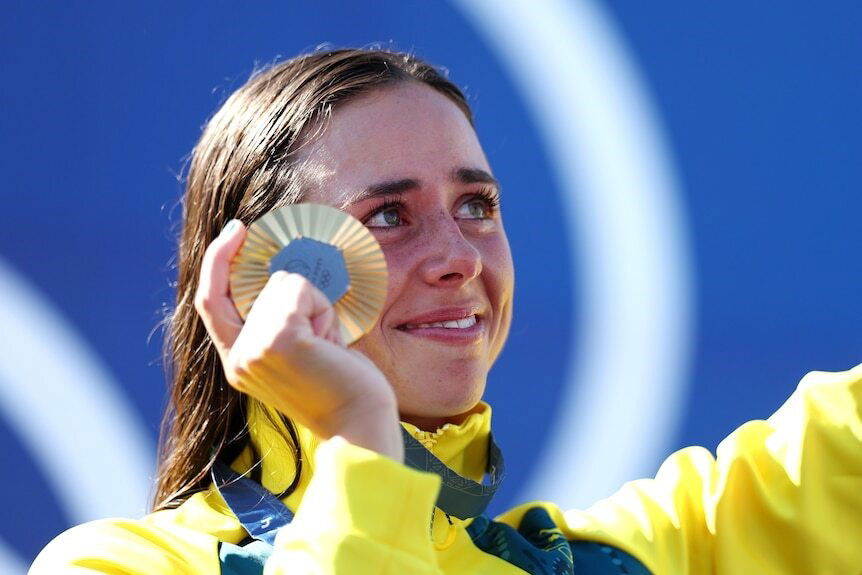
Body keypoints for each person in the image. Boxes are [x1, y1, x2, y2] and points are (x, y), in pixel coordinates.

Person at [31, 48, 862, 575]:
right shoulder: (112, 566)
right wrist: (360, 433)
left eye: (478, 204)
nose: (460, 256)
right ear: (262, 276)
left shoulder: (619, 562)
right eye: (388, 216)